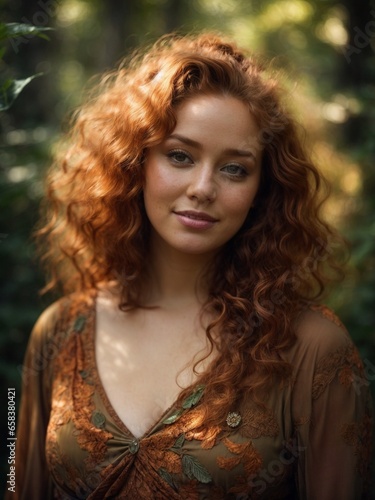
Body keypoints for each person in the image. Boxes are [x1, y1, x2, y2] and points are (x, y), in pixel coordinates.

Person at [9, 32, 372, 499]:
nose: (203, 187)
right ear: (133, 163)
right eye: (180, 156)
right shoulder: (57, 332)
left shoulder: (314, 349)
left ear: (264, 188)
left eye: (234, 168)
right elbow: (15, 481)